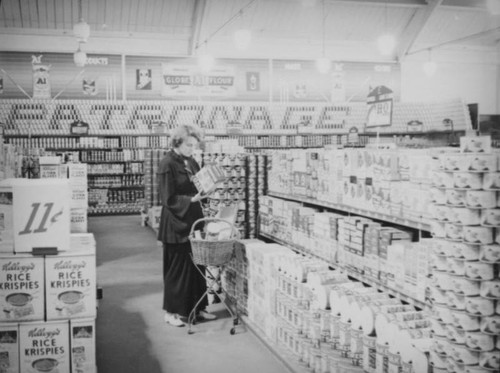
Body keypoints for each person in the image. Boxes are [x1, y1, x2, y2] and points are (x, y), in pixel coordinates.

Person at [157, 124, 216, 327]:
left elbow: (197, 184)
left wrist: (207, 189)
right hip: (175, 225)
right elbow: (168, 198)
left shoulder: (191, 161)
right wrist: (191, 200)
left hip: (192, 222)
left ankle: (198, 308)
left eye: (195, 145)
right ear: (178, 142)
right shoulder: (167, 164)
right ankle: (171, 312)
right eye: (189, 145)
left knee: (196, 266)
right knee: (176, 269)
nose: (193, 149)